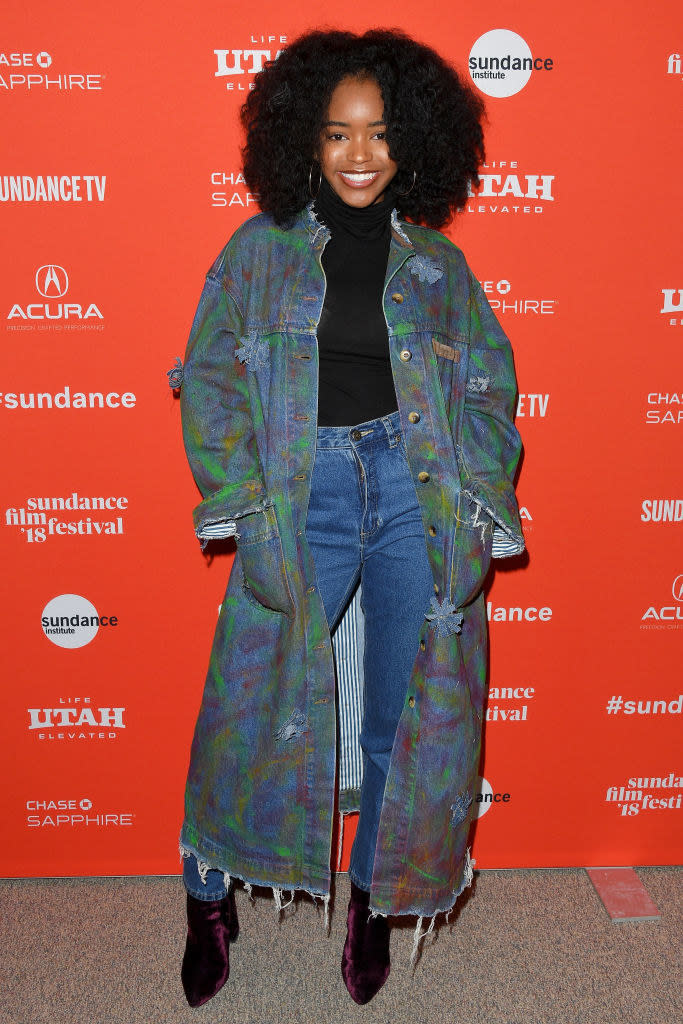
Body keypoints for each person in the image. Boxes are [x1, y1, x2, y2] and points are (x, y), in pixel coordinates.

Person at [174, 27, 524, 1008]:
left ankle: (370, 900)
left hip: (415, 494)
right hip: (302, 489)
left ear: (410, 140)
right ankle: (208, 897)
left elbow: (491, 394)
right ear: (304, 144)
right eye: (336, 135)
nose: (359, 154)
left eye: (376, 133)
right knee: (249, 696)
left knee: (406, 712)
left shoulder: (439, 269)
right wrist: (244, 501)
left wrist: (473, 494)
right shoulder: (258, 252)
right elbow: (208, 382)